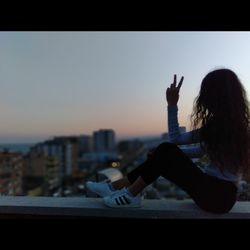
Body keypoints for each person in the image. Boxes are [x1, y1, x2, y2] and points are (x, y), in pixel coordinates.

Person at [86, 68, 250, 214]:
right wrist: (161, 155)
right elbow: (190, 148)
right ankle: (113, 188)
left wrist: (172, 104)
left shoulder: (226, 129)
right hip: (220, 196)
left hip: (216, 195)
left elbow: (175, 140)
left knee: (165, 150)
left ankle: (130, 195)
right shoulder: (227, 128)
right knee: (164, 151)